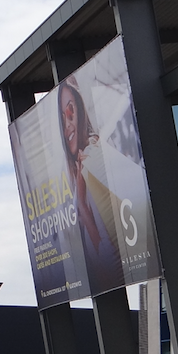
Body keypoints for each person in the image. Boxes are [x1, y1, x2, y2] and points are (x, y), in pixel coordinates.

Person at [57, 78, 124, 292]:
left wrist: (83, 209)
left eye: (71, 110)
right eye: (62, 118)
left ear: (81, 110)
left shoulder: (94, 156)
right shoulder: (78, 171)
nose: (68, 123)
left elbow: (110, 259)